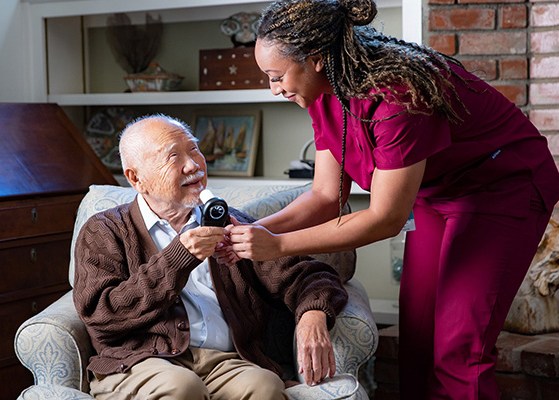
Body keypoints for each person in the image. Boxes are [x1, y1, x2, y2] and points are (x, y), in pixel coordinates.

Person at [224, 0, 559, 399]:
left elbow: (385, 217)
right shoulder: (324, 92)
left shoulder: (399, 96)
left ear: (315, 58)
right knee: (417, 336)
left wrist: (275, 246)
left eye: (276, 75)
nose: (273, 88)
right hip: (437, 192)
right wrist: (254, 230)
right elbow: (327, 196)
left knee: (458, 349)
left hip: (503, 186)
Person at [72, 114, 348, 400]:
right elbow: (101, 314)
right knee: (181, 387)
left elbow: (311, 276)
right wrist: (179, 257)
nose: (193, 165)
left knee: (265, 386)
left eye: (194, 150)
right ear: (136, 178)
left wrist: (312, 316)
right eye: (173, 157)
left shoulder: (231, 224)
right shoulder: (104, 230)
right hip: (138, 362)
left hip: (222, 363)